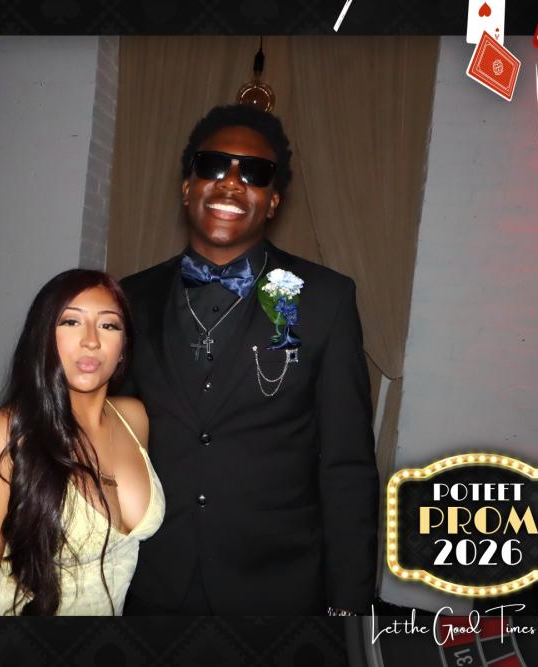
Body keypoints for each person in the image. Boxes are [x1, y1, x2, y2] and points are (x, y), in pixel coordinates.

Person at [118, 104, 379, 615]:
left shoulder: (324, 299)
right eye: (213, 166)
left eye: (255, 173)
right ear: (187, 187)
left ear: (274, 200)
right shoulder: (131, 297)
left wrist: (349, 603)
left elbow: (347, 464)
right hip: (151, 578)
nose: (232, 184)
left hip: (276, 585)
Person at [0, 269, 164, 615]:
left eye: (109, 325)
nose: (91, 340)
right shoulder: (5, 434)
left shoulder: (135, 418)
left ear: (124, 347)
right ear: (44, 338)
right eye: (71, 322)